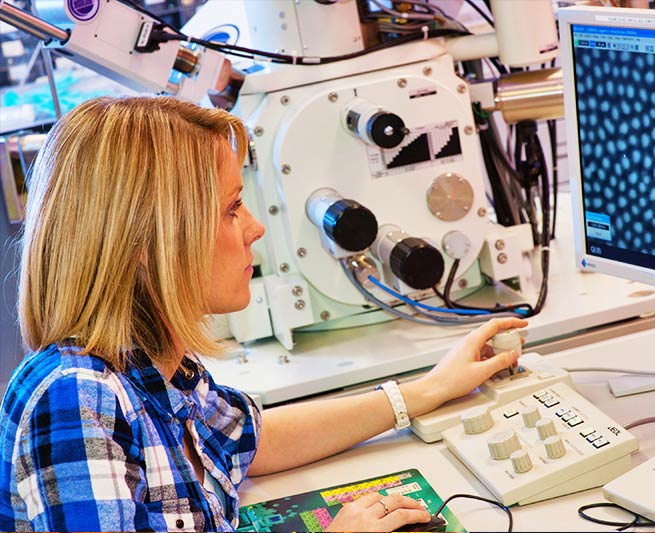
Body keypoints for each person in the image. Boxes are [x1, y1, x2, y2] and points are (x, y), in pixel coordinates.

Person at [0, 96, 527, 532]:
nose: (256, 227)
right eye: (231, 209)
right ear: (151, 243)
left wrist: (425, 391)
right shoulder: (76, 398)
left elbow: (252, 439)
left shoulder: (157, 367)